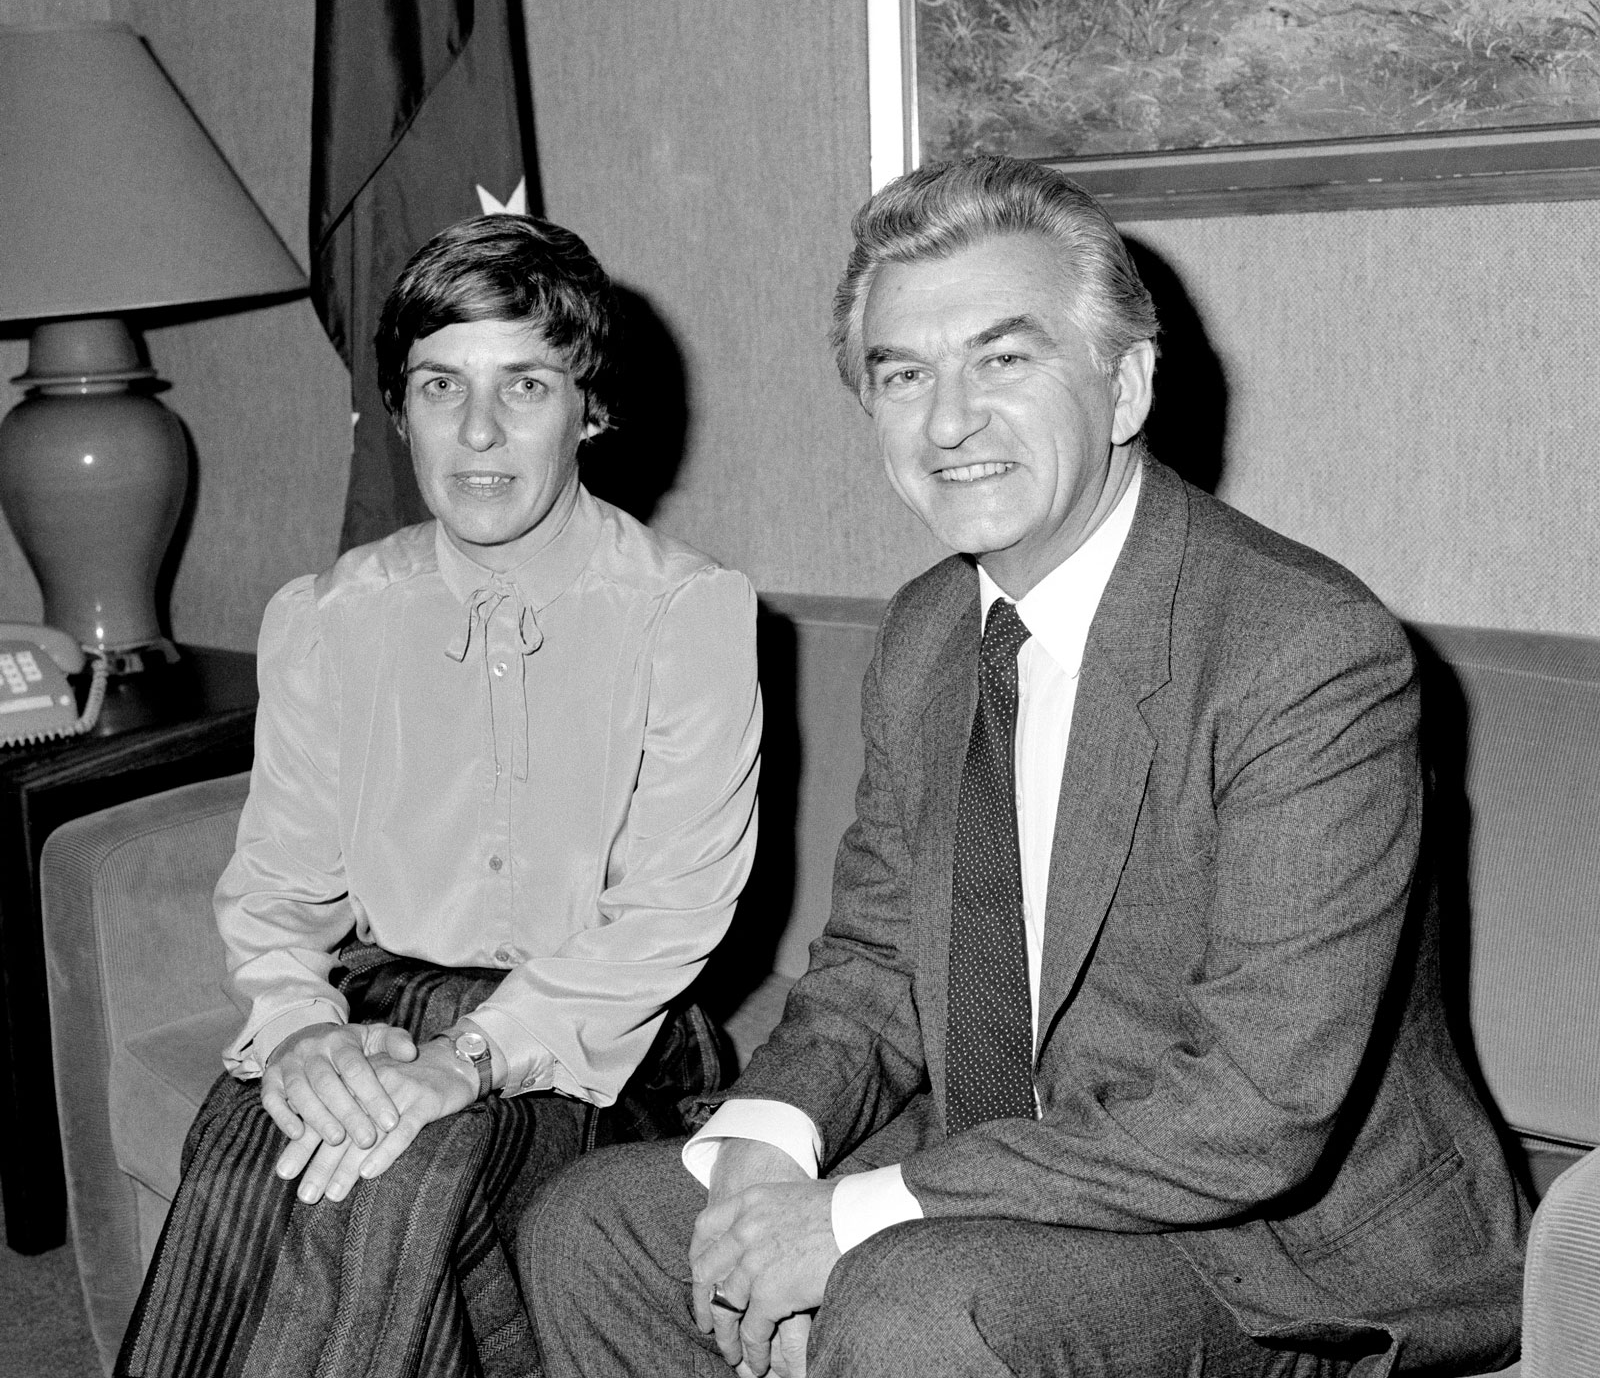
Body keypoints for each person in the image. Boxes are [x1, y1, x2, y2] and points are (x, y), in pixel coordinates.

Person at [523, 157, 1527, 1378]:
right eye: (903, 374)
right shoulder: (929, 633)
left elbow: (1255, 1110)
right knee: (598, 1227)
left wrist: (849, 1218)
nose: (947, 421)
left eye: (1003, 359)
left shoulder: (1301, 652)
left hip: (1273, 1243)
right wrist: (764, 1152)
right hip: (1004, 1175)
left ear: (1125, 384)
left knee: (912, 1299)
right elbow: (876, 961)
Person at [116, 213, 762, 1378]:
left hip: (597, 1033)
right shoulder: (324, 617)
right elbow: (276, 887)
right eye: (438, 384)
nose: (476, 432)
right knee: (260, 1163)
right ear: (399, 409)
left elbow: (670, 917)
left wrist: (460, 1063)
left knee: (398, 1170)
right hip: (380, 993)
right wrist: (305, 1034)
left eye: (525, 384)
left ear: (590, 409)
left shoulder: (688, 613)